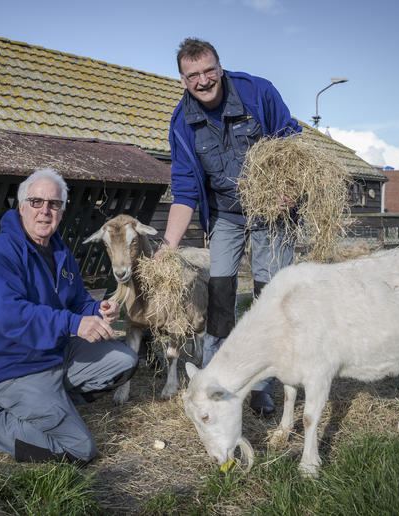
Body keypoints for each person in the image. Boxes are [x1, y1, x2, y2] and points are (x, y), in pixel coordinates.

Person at [0, 168, 138, 465]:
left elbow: (78, 302)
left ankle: (47, 406)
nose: (45, 210)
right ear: (21, 207)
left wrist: (98, 310)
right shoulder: (0, 253)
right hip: (14, 367)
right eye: (36, 202)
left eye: (54, 204)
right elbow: (11, 317)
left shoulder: (59, 251)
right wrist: (74, 324)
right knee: (79, 451)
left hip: (54, 354)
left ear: (61, 210)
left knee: (125, 361)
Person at [158, 38, 301, 416]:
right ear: (183, 80)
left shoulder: (258, 93)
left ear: (219, 67)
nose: (203, 81)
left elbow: (290, 141)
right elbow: (186, 190)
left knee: (269, 298)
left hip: (272, 213)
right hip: (226, 215)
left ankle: (263, 387)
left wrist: (290, 187)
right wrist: (169, 244)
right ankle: (214, 381)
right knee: (220, 296)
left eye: (208, 71)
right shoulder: (182, 124)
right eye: (193, 76)